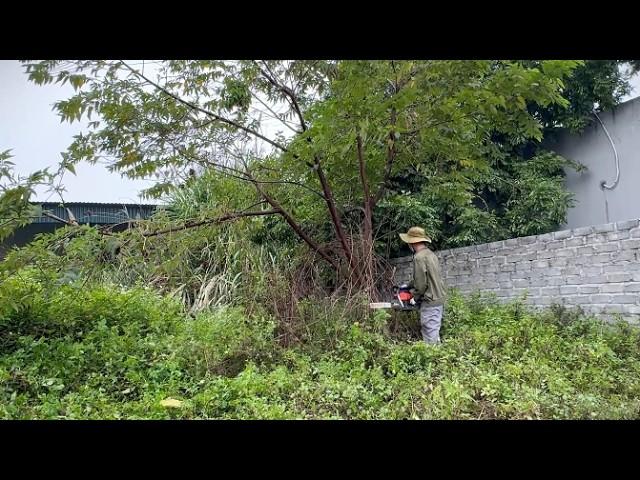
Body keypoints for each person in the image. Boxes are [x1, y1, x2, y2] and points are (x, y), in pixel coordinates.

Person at [398, 226, 446, 345]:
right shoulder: (430, 254)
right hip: (438, 298)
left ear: (412, 242)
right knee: (434, 332)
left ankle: (434, 360)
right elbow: (425, 277)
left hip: (430, 300)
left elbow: (421, 285)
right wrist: (407, 285)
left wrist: (413, 295)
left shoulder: (419, 258)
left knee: (430, 335)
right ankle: (439, 356)